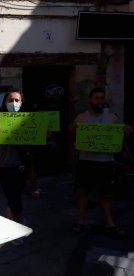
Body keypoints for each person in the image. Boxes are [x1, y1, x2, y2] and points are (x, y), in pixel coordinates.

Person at [69, 87, 132, 239]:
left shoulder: (111, 118)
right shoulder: (82, 117)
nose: (99, 101)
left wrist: (127, 129)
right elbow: (70, 130)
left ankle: (109, 223)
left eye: (102, 98)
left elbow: (123, 131)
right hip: (86, 161)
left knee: (106, 194)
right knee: (83, 193)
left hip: (106, 162)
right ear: (90, 100)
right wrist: (73, 127)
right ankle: (81, 221)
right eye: (96, 98)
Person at [0, 89, 29, 245]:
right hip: (4, 164)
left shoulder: (28, 119)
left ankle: (13, 222)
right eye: (10, 100)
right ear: (5, 103)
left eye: (17, 100)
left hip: (21, 164)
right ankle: (16, 227)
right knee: (13, 197)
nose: (14, 103)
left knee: (16, 196)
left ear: (22, 103)